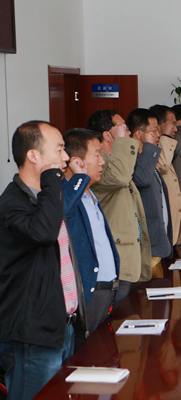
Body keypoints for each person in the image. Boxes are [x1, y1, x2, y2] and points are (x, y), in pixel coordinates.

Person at [0, 121, 87, 400]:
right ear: (33, 156)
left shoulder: (46, 199)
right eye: (59, 150)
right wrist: (51, 178)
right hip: (33, 335)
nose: (66, 157)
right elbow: (43, 233)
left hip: (62, 326)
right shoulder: (12, 203)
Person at [87, 110, 152, 305]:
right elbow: (120, 177)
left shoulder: (116, 161)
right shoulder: (99, 165)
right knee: (117, 317)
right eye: (123, 127)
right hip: (116, 259)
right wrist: (123, 142)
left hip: (128, 256)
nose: (129, 131)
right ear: (108, 135)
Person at [62, 128, 120, 336]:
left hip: (107, 288)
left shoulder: (90, 193)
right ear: (77, 161)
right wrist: (79, 179)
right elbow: (62, 215)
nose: (102, 162)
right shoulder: (67, 194)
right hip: (90, 291)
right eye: (97, 155)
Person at [128, 108, 173, 269]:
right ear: (139, 134)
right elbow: (142, 179)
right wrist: (148, 146)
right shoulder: (133, 159)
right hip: (148, 244)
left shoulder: (146, 157)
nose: (158, 135)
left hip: (158, 241)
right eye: (154, 131)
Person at [150, 105, 181, 244]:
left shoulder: (165, 147)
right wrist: (163, 136)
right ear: (158, 125)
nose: (175, 129)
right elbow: (162, 167)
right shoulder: (154, 149)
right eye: (172, 124)